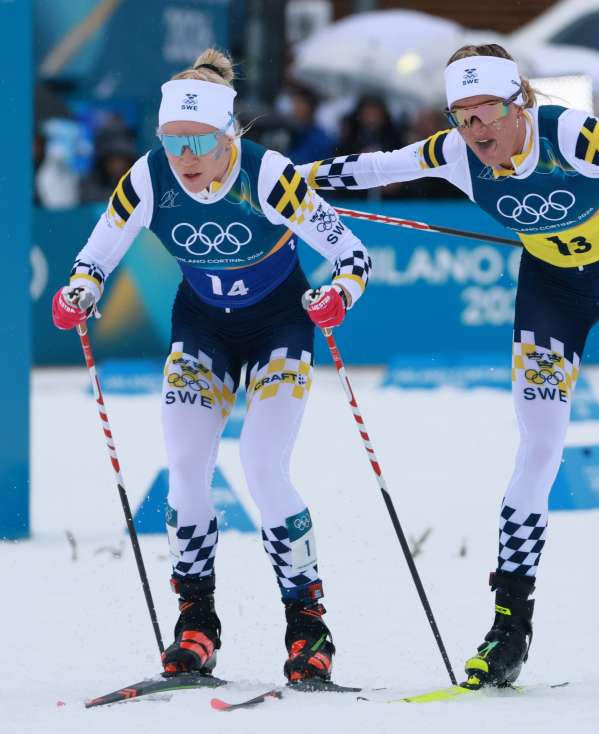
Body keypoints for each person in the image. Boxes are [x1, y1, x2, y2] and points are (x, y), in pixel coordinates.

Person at [297, 44, 599, 687]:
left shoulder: (574, 135)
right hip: (551, 292)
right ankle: (508, 631)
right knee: (536, 452)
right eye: (462, 116)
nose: (476, 130)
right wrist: (276, 179)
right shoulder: (454, 153)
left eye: (487, 112)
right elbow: (369, 167)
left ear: (520, 102)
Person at [50, 49, 372, 684]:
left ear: (229, 135)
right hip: (202, 329)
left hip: (279, 327)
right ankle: (196, 623)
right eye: (172, 141)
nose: (185, 157)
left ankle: (308, 627)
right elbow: (96, 255)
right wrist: (81, 290)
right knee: (186, 468)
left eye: (198, 141)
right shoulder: (149, 178)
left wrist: (339, 295)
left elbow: (352, 255)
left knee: (263, 464)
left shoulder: (270, 175)